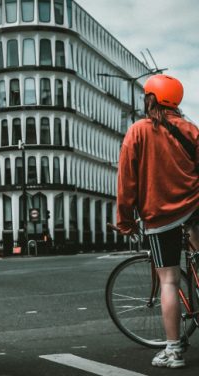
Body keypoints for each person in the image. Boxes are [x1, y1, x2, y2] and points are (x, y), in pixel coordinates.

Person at [116, 74, 199, 369]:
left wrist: (125, 219)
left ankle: (174, 350)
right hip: (195, 208)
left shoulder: (138, 132)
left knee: (169, 280)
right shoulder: (191, 130)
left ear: (150, 98)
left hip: (161, 216)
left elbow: (126, 180)